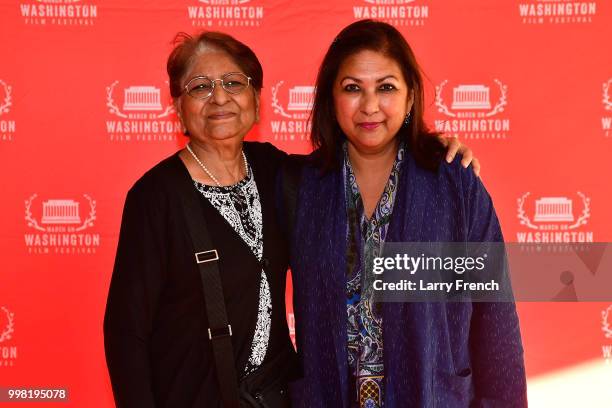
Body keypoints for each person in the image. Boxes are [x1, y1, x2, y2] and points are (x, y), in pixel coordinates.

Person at [103, 30, 478, 407]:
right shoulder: (154, 198)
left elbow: (356, 163)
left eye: (234, 83)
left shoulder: (278, 174)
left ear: (256, 99)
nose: (219, 97)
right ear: (178, 107)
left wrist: (431, 148)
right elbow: (126, 332)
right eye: (199, 87)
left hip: (279, 397)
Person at [287, 20, 527, 408]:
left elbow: (495, 316)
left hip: (434, 396)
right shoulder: (301, 186)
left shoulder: (453, 183)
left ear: (410, 97)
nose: (369, 106)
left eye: (386, 87)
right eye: (352, 88)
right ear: (331, 98)